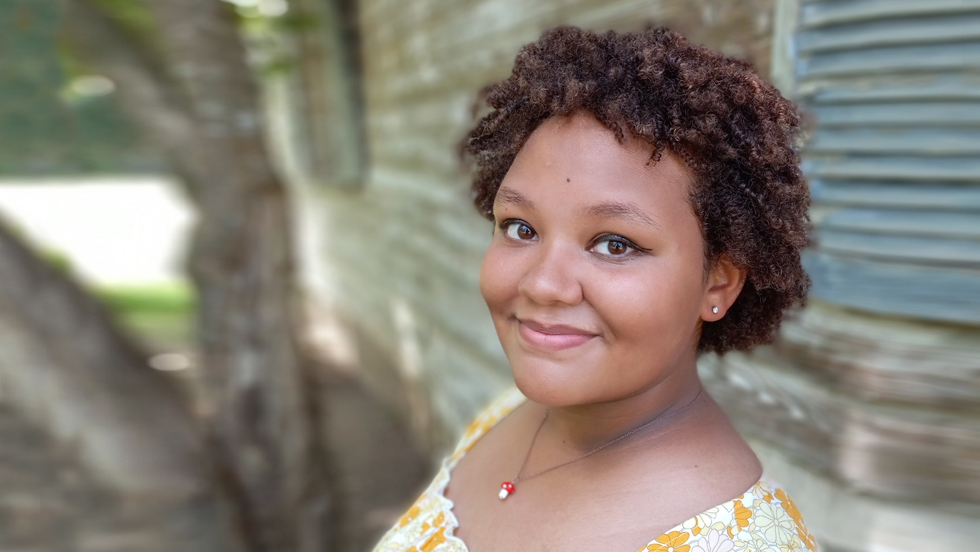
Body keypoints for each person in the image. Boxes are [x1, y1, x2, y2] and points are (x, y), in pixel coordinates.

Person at [374, 26, 817, 552]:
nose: (543, 283)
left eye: (614, 244)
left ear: (717, 280)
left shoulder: (739, 543)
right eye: (521, 228)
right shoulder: (507, 413)